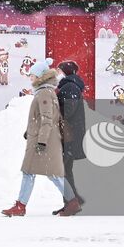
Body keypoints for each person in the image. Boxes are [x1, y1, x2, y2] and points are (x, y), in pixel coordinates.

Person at [2, 58, 82, 218]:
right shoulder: (46, 91)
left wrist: (41, 142)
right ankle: (72, 202)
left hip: (44, 141)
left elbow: (47, 118)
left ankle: (21, 206)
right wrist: (29, 131)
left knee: (31, 172)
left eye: (32, 75)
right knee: (49, 174)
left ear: (40, 76)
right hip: (44, 139)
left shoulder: (44, 92)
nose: (30, 77)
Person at [54, 59, 88, 214]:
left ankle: (71, 202)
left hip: (69, 136)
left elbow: (69, 111)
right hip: (71, 134)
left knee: (62, 169)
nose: (57, 73)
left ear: (66, 72)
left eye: (59, 71)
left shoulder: (70, 86)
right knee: (66, 168)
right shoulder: (70, 85)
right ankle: (73, 200)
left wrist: (54, 113)